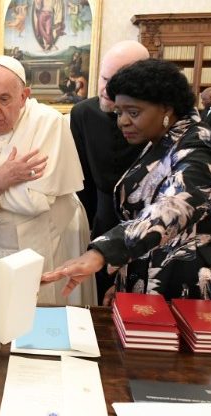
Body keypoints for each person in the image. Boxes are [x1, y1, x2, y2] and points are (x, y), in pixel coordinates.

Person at [43, 58, 211, 314]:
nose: (123, 122)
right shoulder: (162, 140)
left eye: (133, 112)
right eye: (119, 113)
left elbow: (171, 208)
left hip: (192, 286)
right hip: (155, 278)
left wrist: (101, 253)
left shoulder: (200, 144)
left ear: (166, 107)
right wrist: (124, 280)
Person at [0, 55, 95, 306]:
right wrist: (2, 179)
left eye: (4, 99)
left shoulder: (48, 123)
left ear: (24, 96)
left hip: (43, 240)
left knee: (41, 320)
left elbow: (34, 202)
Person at [69, 40, 148, 303]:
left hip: (149, 226)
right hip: (102, 223)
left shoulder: (157, 120)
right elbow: (83, 184)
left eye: (114, 82)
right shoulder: (83, 113)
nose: (105, 89)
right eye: (103, 78)